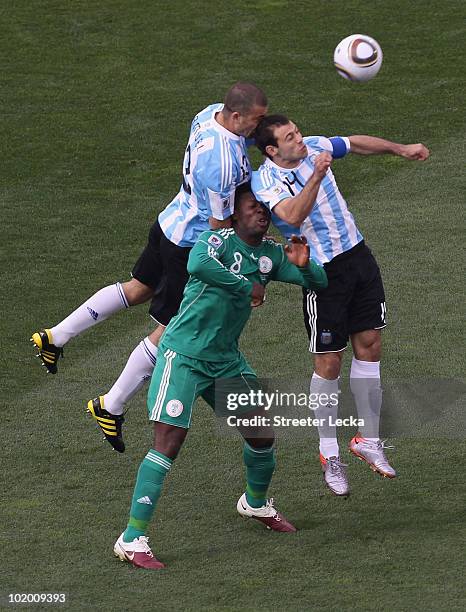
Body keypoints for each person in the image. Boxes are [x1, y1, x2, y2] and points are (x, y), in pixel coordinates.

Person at [31, 82, 268, 451]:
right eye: (255, 121)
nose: (257, 128)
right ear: (236, 116)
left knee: (136, 289)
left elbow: (241, 143)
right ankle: (111, 404)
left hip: (170, 220)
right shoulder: (220, 165)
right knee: (170, 328)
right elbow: (219, 228)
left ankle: (56, 336)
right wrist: (240, 270)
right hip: (186, 243)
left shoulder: (209, 113)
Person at [112, 187, 328, 569]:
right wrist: (247, 286)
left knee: (261, 432)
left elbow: (319, 283)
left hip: (225, 361)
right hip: (184, 356)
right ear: (234, 215)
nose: (260, 213)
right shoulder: (216, 241)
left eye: (264, 208)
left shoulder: (271, 254)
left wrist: (306, 264)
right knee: (169, 441)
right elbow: (197, 266)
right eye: (252, 208)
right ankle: (132, 538)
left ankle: (255, 503)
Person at [251, 114, 430, 496]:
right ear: (271, 149)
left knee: (370, 344)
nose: (299, 139)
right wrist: (316, 174)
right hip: (321, 272)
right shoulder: (265, 180)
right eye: (289, 137)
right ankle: (329, 453)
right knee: (329, 361)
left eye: (297, 132)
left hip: (358, 257)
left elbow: (354, 142)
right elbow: (292, 215)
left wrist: (400, 149)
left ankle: (368, 439)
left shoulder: (315, 146)